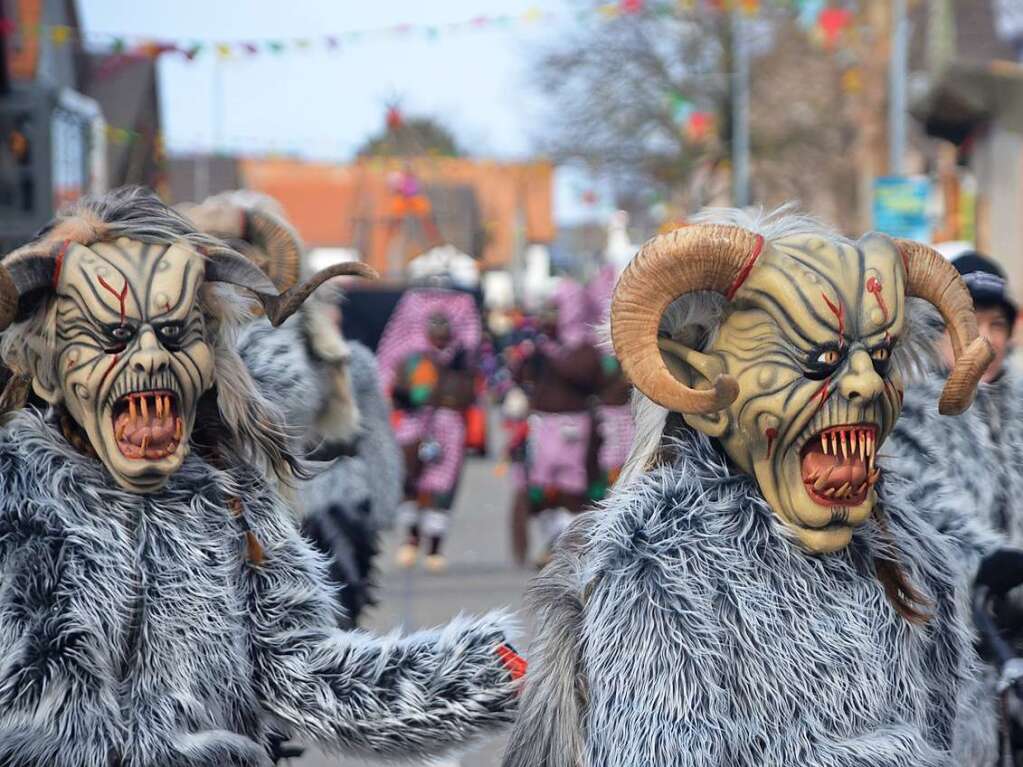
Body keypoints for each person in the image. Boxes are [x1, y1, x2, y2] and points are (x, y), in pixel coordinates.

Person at [0, 188, 524, 765]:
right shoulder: (18, 500)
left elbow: (308, 678)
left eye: (175, 335)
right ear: (47, 370)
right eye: (113, 338)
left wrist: (503, 670)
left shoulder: (228, 498)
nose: (149, 358)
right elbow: (38, 730)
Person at [505, 210, 996, 767]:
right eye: (820, 361)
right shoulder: (662, 575)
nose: (865, 383)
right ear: (698, 385)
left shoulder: (913, 561)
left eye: (879, 357)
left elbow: (952, 727)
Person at [386, 299, 479, 572]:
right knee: (410, 483)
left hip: (449, 427)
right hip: (415, 425)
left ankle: (435, 548)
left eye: (443, 333)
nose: (439, 339)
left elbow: (469, 395)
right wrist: (409, 396)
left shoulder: (461, 361)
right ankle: (411, 539)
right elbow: (397, 392)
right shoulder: (413, 360)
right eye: (434, 333)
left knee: (443, 488)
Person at [513, 280, 603, 560]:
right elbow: (520, 376)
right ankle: (550, 541)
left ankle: (567, 546)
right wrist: (529, 356)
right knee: (542, 489)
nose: (550, 318)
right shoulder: (540, 346)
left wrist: (553, 354)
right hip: (542, 424)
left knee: (571, 489)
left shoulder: (585, 348)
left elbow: (584, 376)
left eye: (557, 311)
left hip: (573, 426)